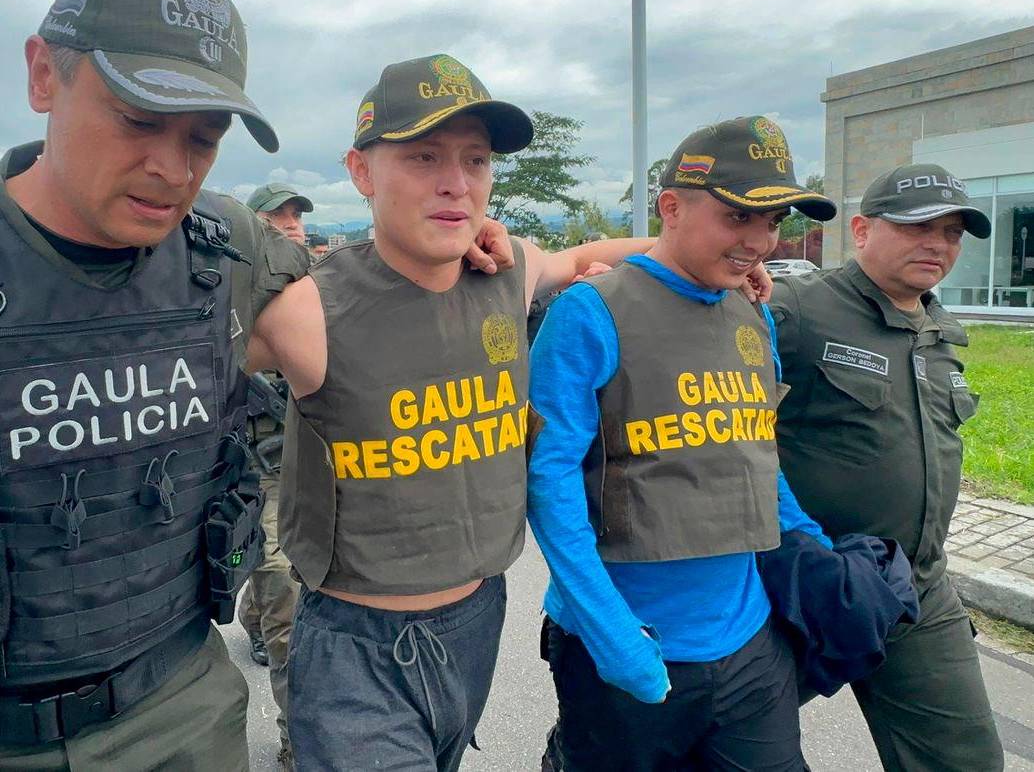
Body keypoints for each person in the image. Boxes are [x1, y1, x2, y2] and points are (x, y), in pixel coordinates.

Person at [246, 53, 662, 772]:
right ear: (360, 171)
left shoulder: (506, 275)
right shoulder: (311, 307)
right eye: (424, 157)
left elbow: (583, 255)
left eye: (476, 160)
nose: (456, 182)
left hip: (478, 618)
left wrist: (708, 256)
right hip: (356, 647)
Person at [0, 0, 312, 769]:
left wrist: (487, 249)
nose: (172, 170)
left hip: (181, 712)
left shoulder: (228, 246)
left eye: (204, 139)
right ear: (43, 75)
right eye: (138, 120)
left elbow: (367, 340)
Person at [528, 116, 838, 771]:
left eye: (773, 219)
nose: (759, 241)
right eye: (737, 219)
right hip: (625, 645)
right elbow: (550, 477)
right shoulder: (590, 313)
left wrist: (816, 549)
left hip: (750, 645)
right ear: (671, 207)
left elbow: (756, 449)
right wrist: (612, 634)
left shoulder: (752, 312)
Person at [770, 163, 1004, 772]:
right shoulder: (795, 308)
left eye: (952, 232)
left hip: (915, 590)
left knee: (968, 761)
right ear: (863, 230)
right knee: (702, 743)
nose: (938, 244)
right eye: (918, 225)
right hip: (801, 588)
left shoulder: (939, 331)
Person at [236, 182, 315, 769]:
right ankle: (299, 742)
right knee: (287, 600)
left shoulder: (324, 291)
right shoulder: (230, 300)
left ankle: (253, 615)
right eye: (275, 217)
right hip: (260, 476)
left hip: (317, 471)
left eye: (297, 217)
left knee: (286, 590)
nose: (290, 226)